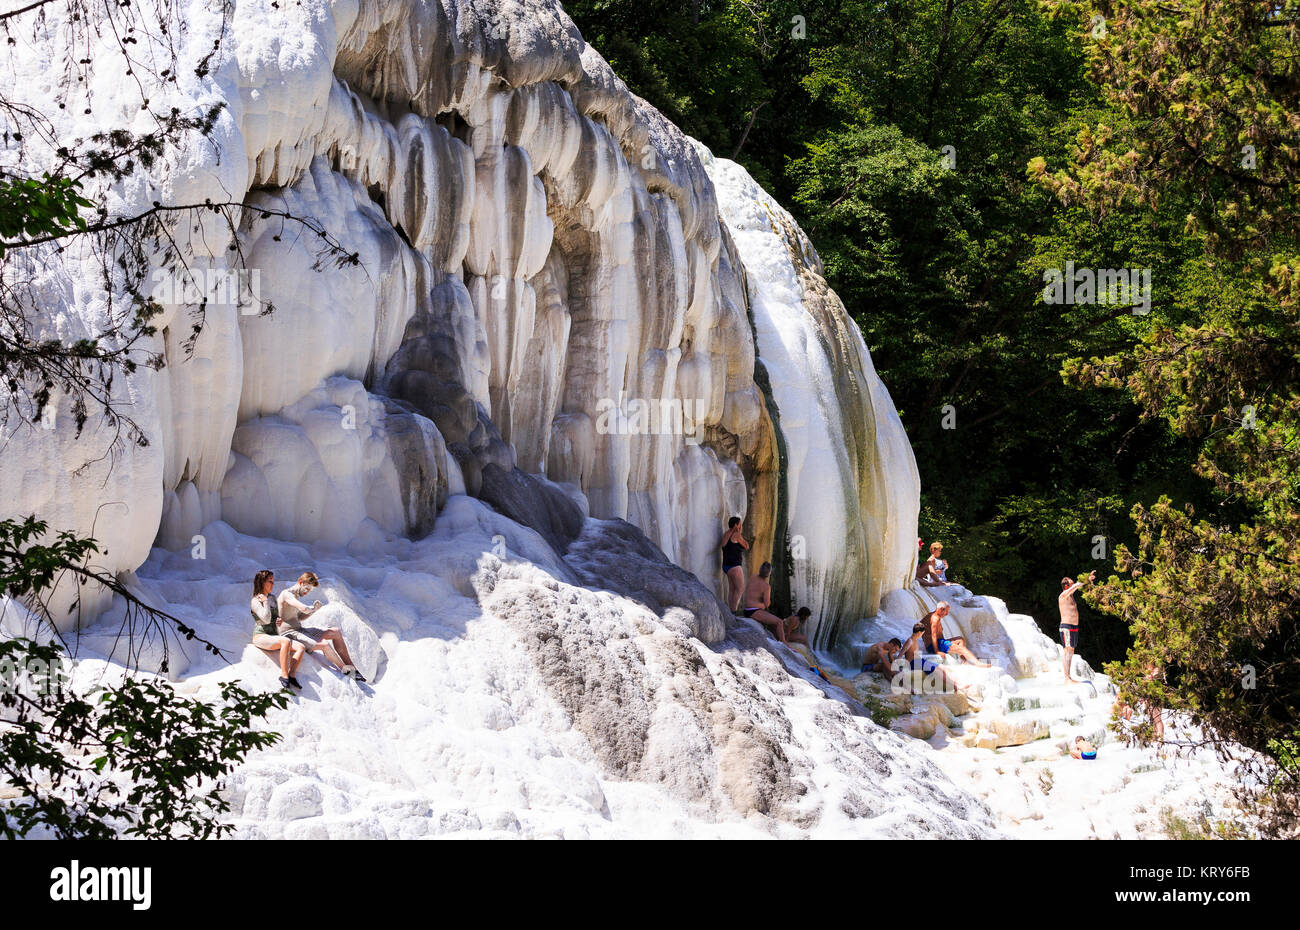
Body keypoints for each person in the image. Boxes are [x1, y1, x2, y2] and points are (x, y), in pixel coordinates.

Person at [277, 571, 367, 682]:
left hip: (300, 630)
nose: (307, 592)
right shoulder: (287, 594)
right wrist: (309, 608)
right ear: (301, 582)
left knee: (336, 632)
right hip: (289, 634)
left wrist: (314, 610)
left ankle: (353, 668)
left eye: (309, 591)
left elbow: (299, 617)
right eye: (307, 589)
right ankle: (348, 672)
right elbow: (302, 608)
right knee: (325, 645)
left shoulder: (296, 596)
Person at [251, 569, 306, 691]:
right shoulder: (255, 600)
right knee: (285, 641)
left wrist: (278, 621)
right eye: (270, 581)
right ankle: (284, 675)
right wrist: (264, 602)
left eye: (273, 581)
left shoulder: (273, 598)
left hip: (272, 635)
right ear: (262, 582)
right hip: (260, 636)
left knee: (301, 647)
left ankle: (291, 675)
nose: (273, 584)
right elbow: (265, 619)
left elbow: (272, 618)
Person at [898, 621, 965, 693]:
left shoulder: (914, 640)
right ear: (919, 633)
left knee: (942, 667)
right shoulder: (909, 641)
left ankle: (956, 683)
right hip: (913, 664)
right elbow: (900, 656)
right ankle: (956, 686)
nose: (922, 635)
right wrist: (901, 670)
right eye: (922, 633)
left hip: (919, 662)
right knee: (936, 670)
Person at [922, 602, 991, 667]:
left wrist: (925, 636)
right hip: (934, 646)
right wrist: (937, 651)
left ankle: (964, 661)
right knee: (961, 649)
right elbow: (933, 636)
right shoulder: (935, 619)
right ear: (940, 609)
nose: (947, 614)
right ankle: (977, 663)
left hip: (940, 642)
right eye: (946, 611)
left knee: (960, 639)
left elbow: (920, 624)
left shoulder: (932, 615)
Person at [1058, 570, 1097, 683]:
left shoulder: (1071, 596)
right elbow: (1075, 586)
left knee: (1071, 651)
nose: (1073, 585)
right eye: (1071, 583)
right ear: (1066, 586)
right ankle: (1066, 678)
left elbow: (1075, 587)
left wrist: (1087, 581)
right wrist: (1086, 579)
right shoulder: (1063, 595)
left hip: (1073, 627)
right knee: (1067, 650)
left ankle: (1069, 676)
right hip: (1066, 626)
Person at [741, 562, 788, 644]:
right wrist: (764, 604)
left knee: (771, 621)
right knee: (779, 622)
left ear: (760, 570)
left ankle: (776, 638)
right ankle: (784, 643)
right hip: (753, 611)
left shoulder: (753, 577)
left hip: (746, 609)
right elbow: (767, 604)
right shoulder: (766, 586)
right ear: (769, 573)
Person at [720, 517, 749, 612]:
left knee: (732, 589)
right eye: (740, 524)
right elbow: (746, 546)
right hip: (734, 566)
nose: (741, 526)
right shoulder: (736, 535)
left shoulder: (726, 534)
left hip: (726, 566)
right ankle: (734, 611)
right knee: (740, 588)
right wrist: (739, 532)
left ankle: (730, 610)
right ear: (736, 525)